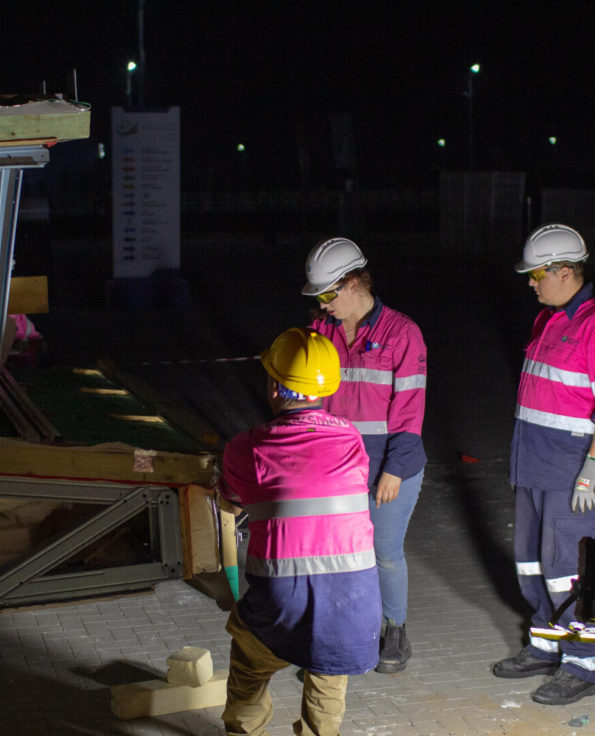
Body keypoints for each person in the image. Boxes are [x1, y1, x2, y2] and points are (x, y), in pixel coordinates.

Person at [492, 224, 595, 706]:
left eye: (536, 275)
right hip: (532, 464)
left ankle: (584, 667)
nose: (531, 283)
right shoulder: (548, 319)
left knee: (566, 569)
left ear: (565, 271)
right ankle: (546, 646)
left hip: (569, 470)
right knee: (530, 562)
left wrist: (591, 472)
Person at [219, 327, 380, 736]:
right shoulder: (352, 440)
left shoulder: (248, 448)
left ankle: (244, 726)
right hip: (353, 601)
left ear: (275, 384)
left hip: (279, 599)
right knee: (327, 688)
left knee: (249, 660)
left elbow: (232, 501)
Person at [299, 237, 427, 674]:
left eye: (328, 294)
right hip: (337, 469)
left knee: (384, 552)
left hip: (390, 467)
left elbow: (411, 409)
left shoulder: (402, 333)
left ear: (354, 283)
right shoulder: (320, 331)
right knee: (337, 553)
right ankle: (346, 633)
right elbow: (311, 399)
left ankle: (395, 631)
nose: (323, 303)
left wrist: (393, 470)